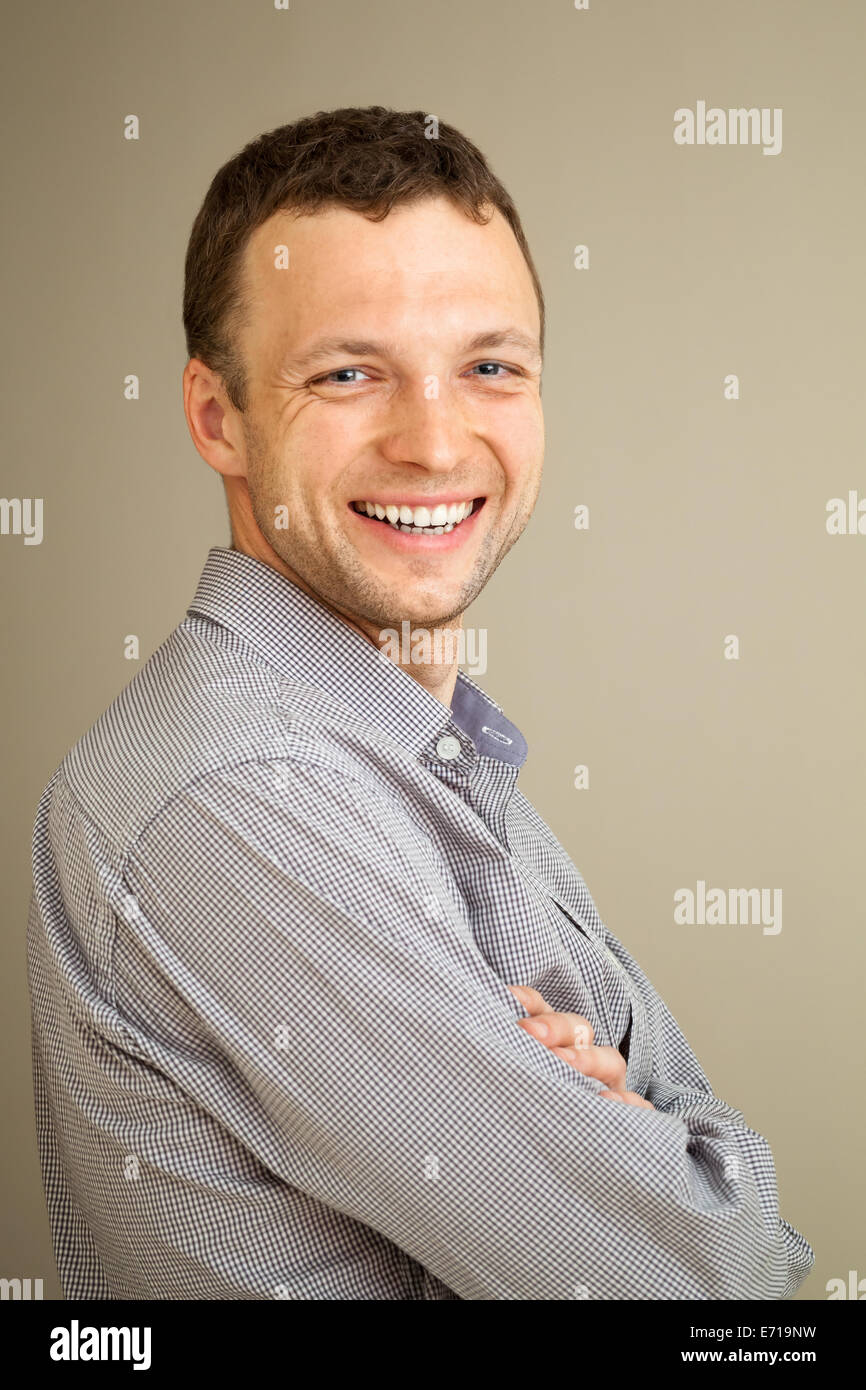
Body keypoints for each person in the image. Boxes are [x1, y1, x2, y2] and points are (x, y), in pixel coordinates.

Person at [27, 106, 813, 1300]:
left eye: (489, 367)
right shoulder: (236, 794)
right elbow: (704, 1285)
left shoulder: (416, 744)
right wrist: (658, 1164)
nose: (436, 442)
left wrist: (639, 1139)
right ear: (215, 417)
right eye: (348, 374)